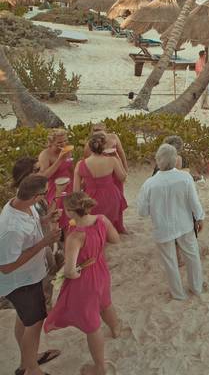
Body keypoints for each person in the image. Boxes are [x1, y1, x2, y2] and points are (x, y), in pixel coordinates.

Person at [43, 191, 120, 375]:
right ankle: (116, 328)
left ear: (70, 211)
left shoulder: (75, 236)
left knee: (92, 325)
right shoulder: (101, 219)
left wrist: (72, 273)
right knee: (105, 303)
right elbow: (115, 239)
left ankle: (100, 367)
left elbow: (70, 271)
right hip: (101, 269)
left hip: (86, 277)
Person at [1, 175, 62, 375]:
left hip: (31, 277)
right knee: (34, 324)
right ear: (36, 196)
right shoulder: (11, 228)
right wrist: (44, 243)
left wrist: (46, 218)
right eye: (44, 192)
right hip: (21, 283)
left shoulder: (21, 204)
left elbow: (32, 224)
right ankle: (32, 370)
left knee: (25, 320)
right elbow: (6, 267)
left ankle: (27, 361)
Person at [136, 144, 204, 301]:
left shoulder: (149, 184)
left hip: (162, 228)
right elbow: (194, 202)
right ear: (175, 160)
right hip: (184, 224)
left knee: (170, 262)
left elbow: (142, 212)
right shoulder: (185, 177)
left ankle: (178, 294)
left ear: (158, 161)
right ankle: (196, 287)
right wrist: (199, 217)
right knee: (192, 256)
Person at [74, 133, 127, 234]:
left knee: (96, 226)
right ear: (104, 146)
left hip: (91, 199)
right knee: (108, 225)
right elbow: (123, 177)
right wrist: (117, 158)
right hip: (111, 198)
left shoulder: (80, 164)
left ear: (90, 147)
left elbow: (76, 192)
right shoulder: (112, 160)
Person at [37, 129, 74, 231]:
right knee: (57, 214)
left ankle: (68, 232)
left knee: (70, 212)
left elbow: (71, 169)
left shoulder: (67, 150)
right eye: (59, 142)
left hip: (68, 184)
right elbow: (44, 176)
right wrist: (59, 160)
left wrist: (76, 185)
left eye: (65, 141)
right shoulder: (45, 155)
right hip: (54, 187)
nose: (63, 144)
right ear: (51, 142)